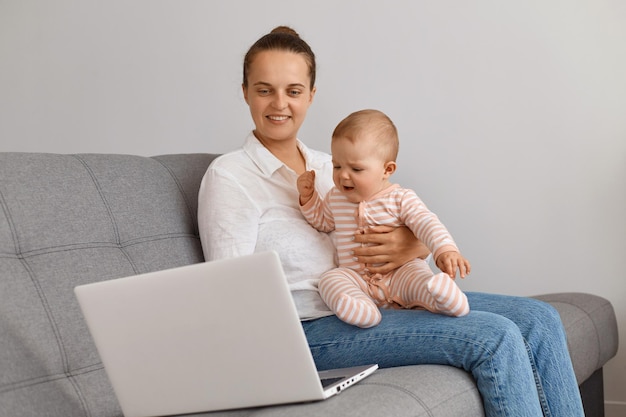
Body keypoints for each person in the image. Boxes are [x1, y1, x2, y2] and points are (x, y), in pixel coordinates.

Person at [198, 26, 584, 417]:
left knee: (539, 319)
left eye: (293, 90)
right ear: (245, 91)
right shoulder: (230, 176)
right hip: (308, 328)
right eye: (264, 89)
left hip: (382, 295)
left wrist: (412, 246)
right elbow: (229, 290)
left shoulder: (331, 165)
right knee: (495, 337)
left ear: (311, 96)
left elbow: (392, 216)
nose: (279, 103)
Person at [297, 109, 470, 328]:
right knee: (330, 279)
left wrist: (445, 249)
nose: (343, 175)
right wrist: (309, 197)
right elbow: (322, 222)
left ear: (387, 170)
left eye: (356, 168)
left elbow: (427, 223)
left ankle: (444, 298)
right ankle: (361, 308)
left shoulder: (400, 198)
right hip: (357, 279)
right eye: (337, 165)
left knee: (417, 277)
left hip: (400, 273)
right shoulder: (335, 198)